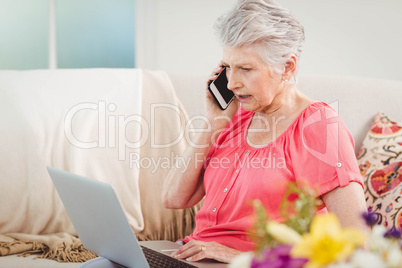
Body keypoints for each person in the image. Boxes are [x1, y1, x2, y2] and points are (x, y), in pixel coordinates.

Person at [162, 0, 368, 264]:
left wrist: (239, 256)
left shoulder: (317, 127)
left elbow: (357, 246)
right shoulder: (235, 114)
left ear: (287, 67)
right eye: (227, 67)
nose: (232, 83)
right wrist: (213, 122)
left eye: (246, 69)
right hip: (191, 256)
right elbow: (173, 198)